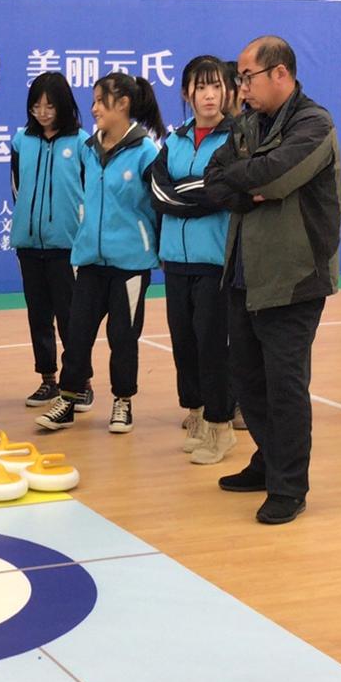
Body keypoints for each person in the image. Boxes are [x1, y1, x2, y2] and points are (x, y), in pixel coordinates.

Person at [202, 36, 341, 525]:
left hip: (294, 278)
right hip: (245, 273)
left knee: (285, 385)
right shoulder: (245, 124)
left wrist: (246, 180)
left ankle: (289, 486)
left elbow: (277, 177)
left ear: (279, 73)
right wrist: (245, 190)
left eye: (246, 77)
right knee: (247, 378)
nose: (240, 88)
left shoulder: (313, 123)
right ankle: (267, 460)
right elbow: (215, 178)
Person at [34, 73, 163, 437]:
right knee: (77, 333)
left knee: (123, 336)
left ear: (122, 104)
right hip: (90, 259)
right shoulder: (89, 149)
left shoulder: (146, 151)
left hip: (130, 265)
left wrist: (150, 246)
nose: (92, 109)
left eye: (98, 101)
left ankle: (123, 400)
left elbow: (156, 208)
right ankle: (69, 399)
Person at [149, 55, 237, 463]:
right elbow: (158, 191)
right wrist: (195, 194)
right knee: (183, 343)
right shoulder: (176, 139)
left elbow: (221, 190)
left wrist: (185, 195)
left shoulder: (235, 139)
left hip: (214, 261)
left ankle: (222, 428)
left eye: (216, 86)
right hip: (175, 262)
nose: (209, 94)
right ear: (187, 93)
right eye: (201, 87)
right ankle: (197, 414)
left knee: (212, 345)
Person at [10, 71, 88, 410]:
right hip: (28, 243)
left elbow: (89, 191)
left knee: (70, 316)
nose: (42, 112)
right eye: (36, 105)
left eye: (50, 106)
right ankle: (48, 380)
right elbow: (16, 187)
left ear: (65, 107)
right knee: (38, 315)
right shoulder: (20, 141)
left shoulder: (83, 143)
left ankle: (79, 381)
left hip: (66, 245)